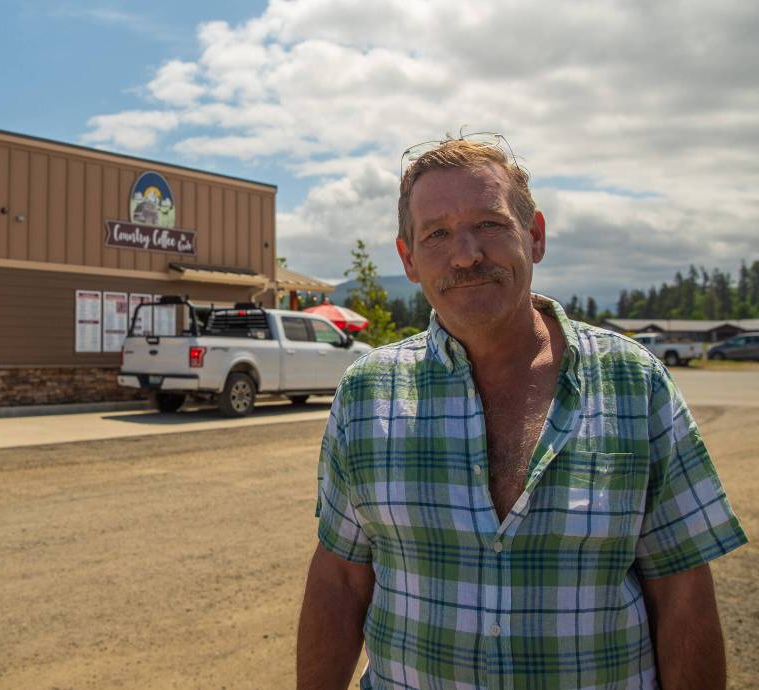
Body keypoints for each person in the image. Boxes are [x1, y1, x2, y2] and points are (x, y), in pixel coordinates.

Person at [296, 135, 747, 690]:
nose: (465, 254)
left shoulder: (636, 383)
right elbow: (340, 578)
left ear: (534, 236)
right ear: (409, 260)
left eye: (489, 224)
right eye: (436, 233)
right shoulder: (366, 395)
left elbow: (682, 591)